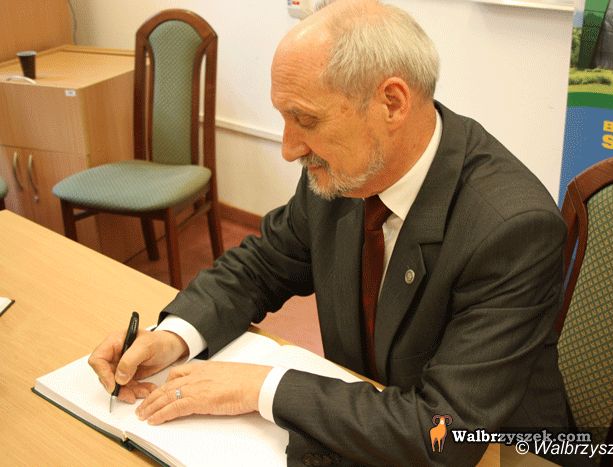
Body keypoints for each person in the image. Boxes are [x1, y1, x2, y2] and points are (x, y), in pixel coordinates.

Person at [89, 0, 570, 464]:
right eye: (283, 118)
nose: (288, 148)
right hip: (369, 428)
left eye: (305, 119)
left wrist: (262, 387)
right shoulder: (346, 170)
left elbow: (441, 433)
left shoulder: (512, 229)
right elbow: (262, 265)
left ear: (392, 103)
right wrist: (175, 336)